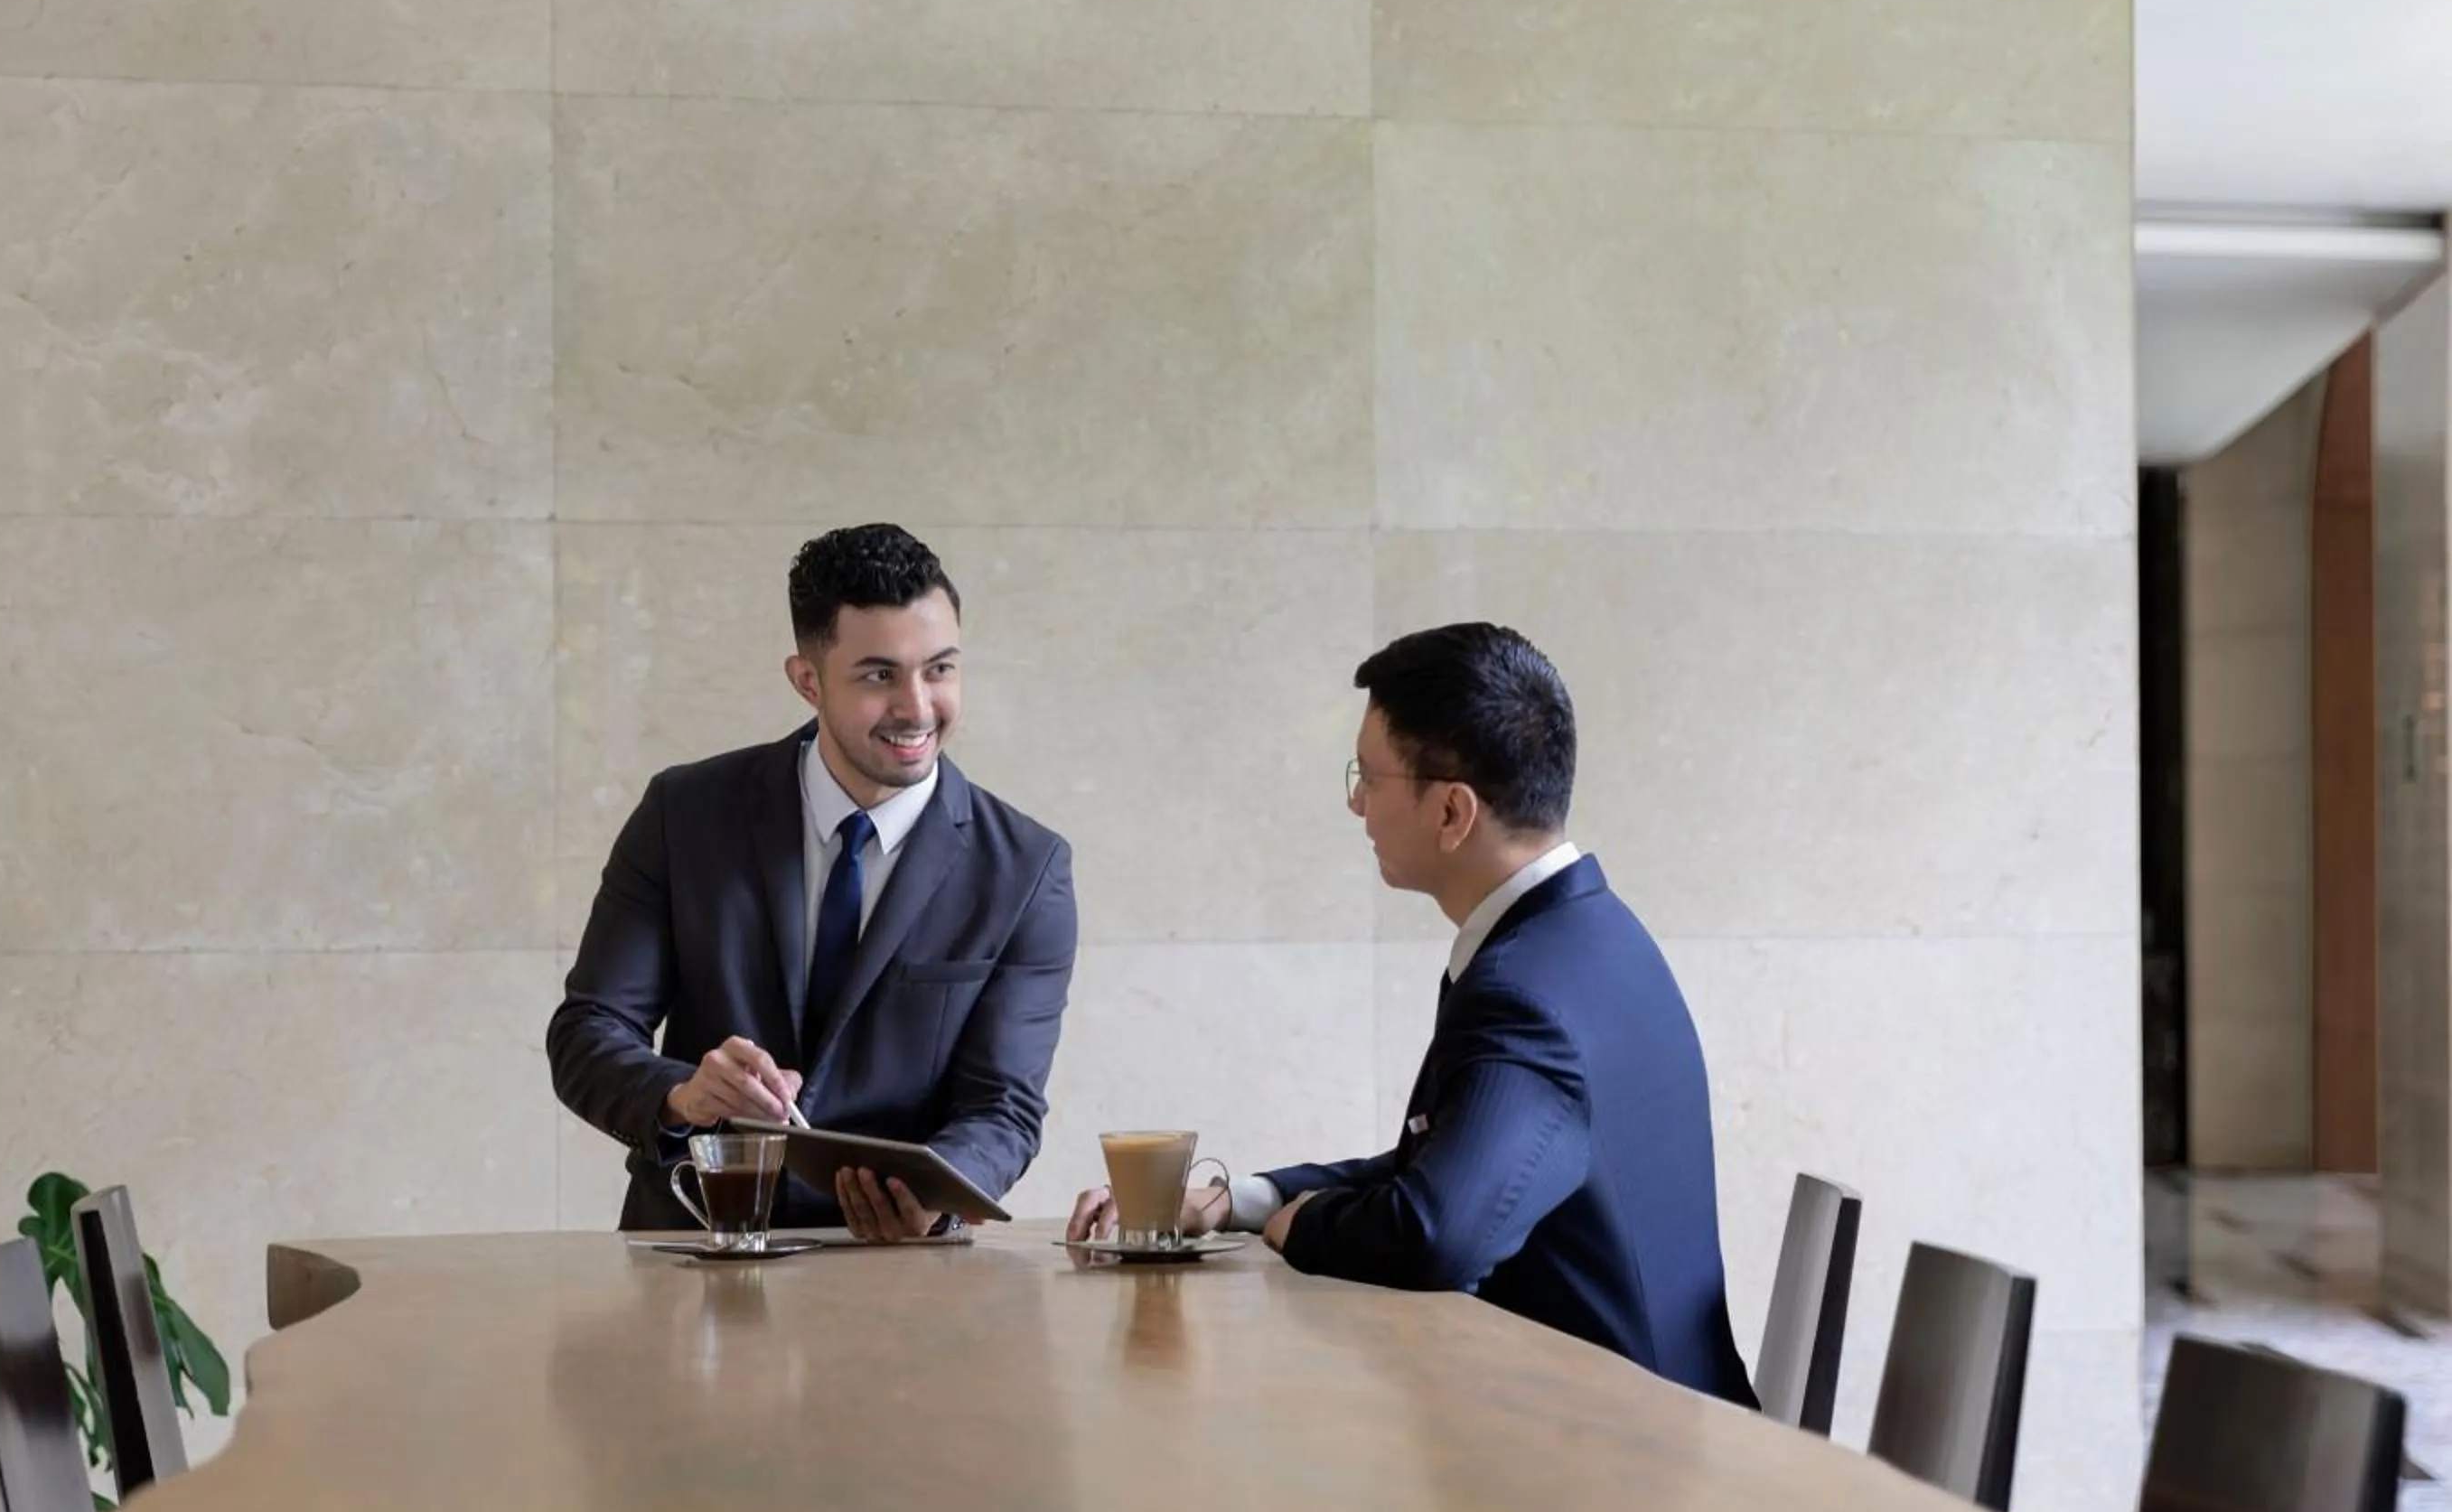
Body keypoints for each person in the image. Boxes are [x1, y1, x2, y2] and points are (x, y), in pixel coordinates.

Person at [1069, 623, 1755, 1405]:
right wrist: (1242, 1203)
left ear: (1452, 813)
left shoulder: (1525, 990)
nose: (1356, 802)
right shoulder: (1590, 937)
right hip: (1638, 1420)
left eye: (1370, 776)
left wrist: (1304, 1224)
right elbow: (1444, 1174)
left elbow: (1438, 1236)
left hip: (1619, 1456)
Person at [552, 525, 1077, 1241]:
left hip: (905, 1277)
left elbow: (1004, 1107)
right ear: (807, 680)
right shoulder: (685, 814)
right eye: (878, 675)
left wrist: (938, 1191)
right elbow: (587, 1033)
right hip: (695, 1250)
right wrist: (682, 1094)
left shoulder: (1025, 867)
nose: (918, 708)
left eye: (941, 669)